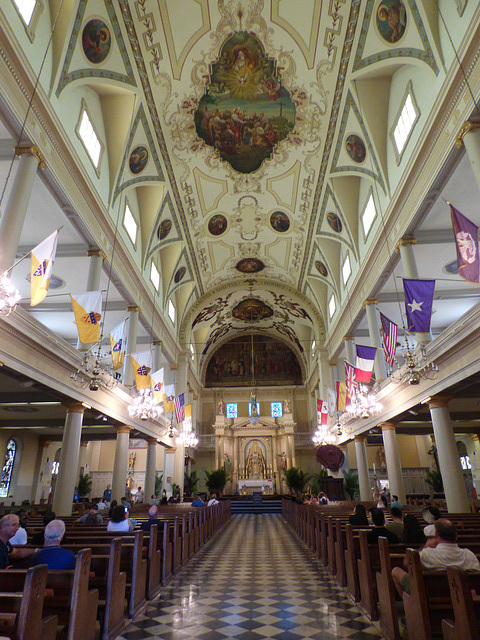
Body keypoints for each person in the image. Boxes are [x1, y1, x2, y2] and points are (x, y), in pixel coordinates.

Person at [392, 519, 480, 597]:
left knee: (395, 571)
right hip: (464, 602)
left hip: (430, 599)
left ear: (436, 534)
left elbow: (407, 562)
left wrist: (426, 545)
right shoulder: (470, 555)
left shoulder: (427, 554)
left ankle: (410, 608)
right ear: (456, 536)